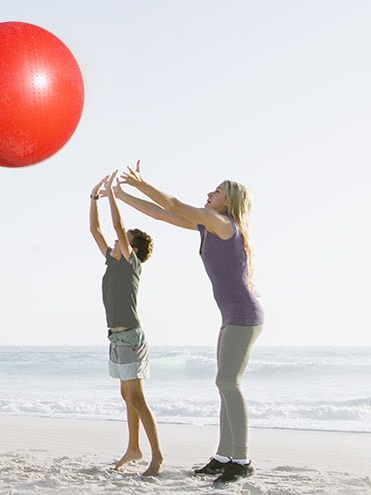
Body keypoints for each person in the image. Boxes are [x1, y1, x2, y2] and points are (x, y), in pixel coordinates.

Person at [116, 162, 264, 482]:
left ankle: (242, 460)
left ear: (229, 201)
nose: (211, 193)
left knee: (228, 383)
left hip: (244, 316)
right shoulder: (207, 226)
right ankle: (225, 456)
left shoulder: (220, 222)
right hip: (232, 317)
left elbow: (171, 204)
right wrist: (121, 194)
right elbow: (161, 214)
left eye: (218, 190)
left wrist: (141, 182)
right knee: (224, 383)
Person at [89, 171, 163, 476]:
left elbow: (116, 226)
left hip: (132, 337)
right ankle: (134, 449)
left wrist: (114, 195)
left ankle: (157, 457)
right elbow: (95, 229)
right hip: (116, 339)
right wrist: (94, 198)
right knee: (126, 396)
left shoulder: (131, 264)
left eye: (124, 239)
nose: (118, 240)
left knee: (137, 398)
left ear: (132, 248)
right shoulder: (112, 260)